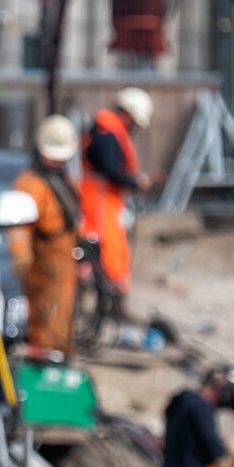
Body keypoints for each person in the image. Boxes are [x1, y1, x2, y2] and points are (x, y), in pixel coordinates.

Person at [9, 115, 82, 355]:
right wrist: (20, 252)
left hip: (63, 269)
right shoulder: (30, 183)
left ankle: (59, 364)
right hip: (44, 271)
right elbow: (19, 224)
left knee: (61, 328)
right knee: (45, 332)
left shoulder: (61, 181)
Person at [80, 87, 154, 315]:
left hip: (106, 203)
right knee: (106, 251)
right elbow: (110, 169)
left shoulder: (107, 131)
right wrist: (133, 181)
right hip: (100, 204)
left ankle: (108, 305)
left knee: (107, 252)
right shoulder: (107, 134)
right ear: (128, 114)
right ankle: (110, 306)